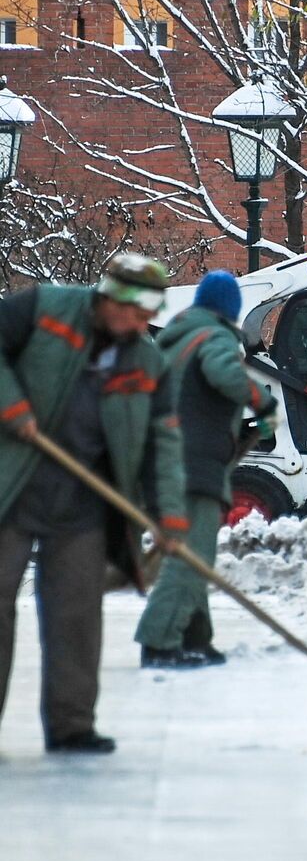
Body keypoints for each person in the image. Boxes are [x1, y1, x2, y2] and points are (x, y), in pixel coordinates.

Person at [0, 254, 187, 754]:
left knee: (76, 614)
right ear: (108, 299)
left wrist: (169, 516)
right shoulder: (44, 309)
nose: (140, 324)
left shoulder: (147, 362)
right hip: (13, 487)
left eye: (148, 315)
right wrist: (12, 404)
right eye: (133, 312)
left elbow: (162, 443)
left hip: (84, 504)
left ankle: (71, 725)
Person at [134, 270, 277, 669]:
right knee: (191, 555)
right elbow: (224, 374)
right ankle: (159, 642)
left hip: (165, 461)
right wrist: (261, 404)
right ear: (229, 309)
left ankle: (197, 638)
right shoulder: (215, 338)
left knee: (194, 552)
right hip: (192, 464)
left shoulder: (175, 340)